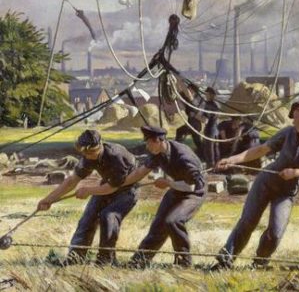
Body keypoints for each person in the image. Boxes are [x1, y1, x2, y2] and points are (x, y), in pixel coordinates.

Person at [212, 101, 299, 269]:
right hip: (266, 182)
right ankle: (225, 261)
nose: (293, 122)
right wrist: (232, 160)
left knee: (276, 232)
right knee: (247, 221)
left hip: (287, 191)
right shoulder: (288, 133)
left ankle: (259, 263)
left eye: (297, 118)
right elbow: (260, 150)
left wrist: (296, 173)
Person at [37, 129, 138, 265]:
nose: (87, 156)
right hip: (106, 185)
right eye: (84, 153)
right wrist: (48, 200)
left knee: (108, 216)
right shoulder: (88, 156)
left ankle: (105, 260)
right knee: (88, 218)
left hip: (128, 190)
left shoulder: (116, 155)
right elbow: (71, 181)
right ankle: (75, 258)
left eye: (90, 152)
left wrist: (88, 190)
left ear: (100, 145)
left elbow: (113, 187)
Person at [126, 126, 206, 268]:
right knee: (159, 224)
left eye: (149, 142)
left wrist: (168, 183)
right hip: (176, 189)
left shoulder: (183, 156)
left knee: (173, 221)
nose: (147, 146)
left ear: (158, 140)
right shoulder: (158, 153)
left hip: (193, 193)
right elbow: (140, 172)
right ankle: (139, 261)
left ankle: (183, 263)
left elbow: (191, 187)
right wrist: (122, 184)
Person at [174, 83, 203, 157]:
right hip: (191, 123)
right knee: (197, 141)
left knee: (180, 131)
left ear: (193, 91)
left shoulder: (196, 100)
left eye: (189, 89)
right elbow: (179, 92)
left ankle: (176, 149)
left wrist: (180, 80)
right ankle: (202, 153)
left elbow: (189, 96)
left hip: (195, 124)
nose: (188, 91)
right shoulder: (188, 99)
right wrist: (177, 81)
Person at [199, 86, 221, 167]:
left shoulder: (208, 105)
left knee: (209, 149)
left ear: (211, 94)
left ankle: (211, 166)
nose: (205, 95)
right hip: (215, 129)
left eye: (207, 94)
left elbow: (205, 120)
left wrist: (196, 115)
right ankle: (217, 165)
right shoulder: (217, 105)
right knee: (216, 148)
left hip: (210, 129)